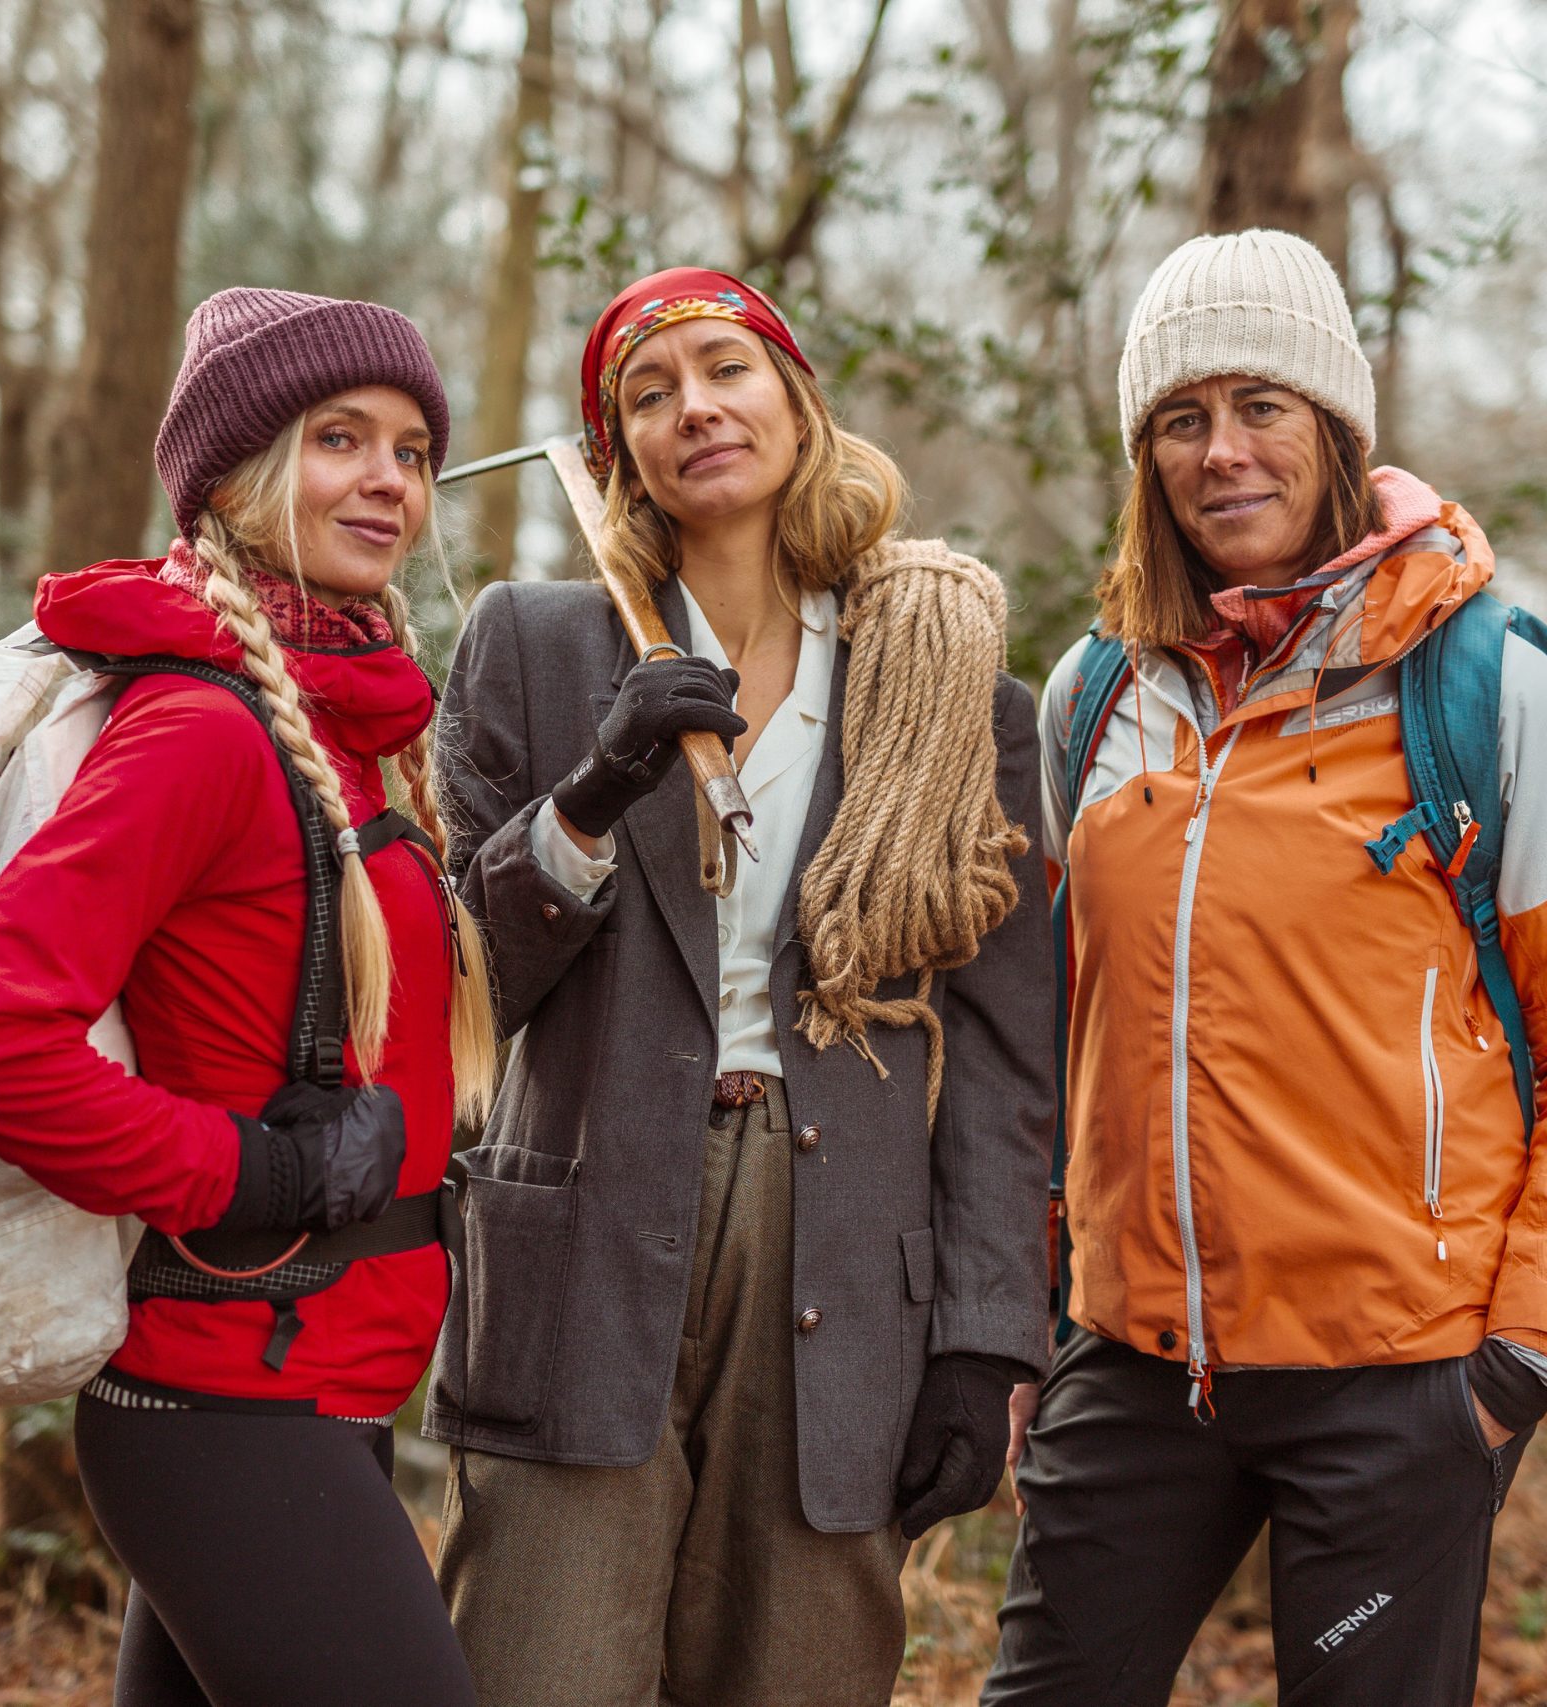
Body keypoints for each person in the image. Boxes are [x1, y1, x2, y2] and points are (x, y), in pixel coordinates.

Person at [982, 229, 1547, 1705]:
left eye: (1261, 406)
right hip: (1134, 1357)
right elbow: (1062, 1031)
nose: (1222, 452)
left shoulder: (1492, 688)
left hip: (1403, 1379)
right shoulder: (1094, 694)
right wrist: (1031, 1311)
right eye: (1182, 418)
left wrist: (1520, 1363)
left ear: (1337, 427)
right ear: (1147, 455)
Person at [425, 266, 1055, 1707]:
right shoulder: (532, 646)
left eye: (726, 369)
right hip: (581, 1237)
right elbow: (461, 987)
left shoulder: (949, 685)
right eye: (650, 395)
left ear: (796, 396)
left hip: (844, 1247)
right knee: (540, 1671)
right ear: (617, 454)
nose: (696, 409)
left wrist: (983, 1330)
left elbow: (1010, 1051)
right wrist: (589, 799)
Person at [0, 286, 496, 1707]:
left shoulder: (349, 731)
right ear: (238, 477)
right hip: (235, 1398)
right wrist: (252, 1168)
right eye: (340, 439)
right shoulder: (202, 730)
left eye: (413, 450)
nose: (389, 480)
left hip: (316, 1383)